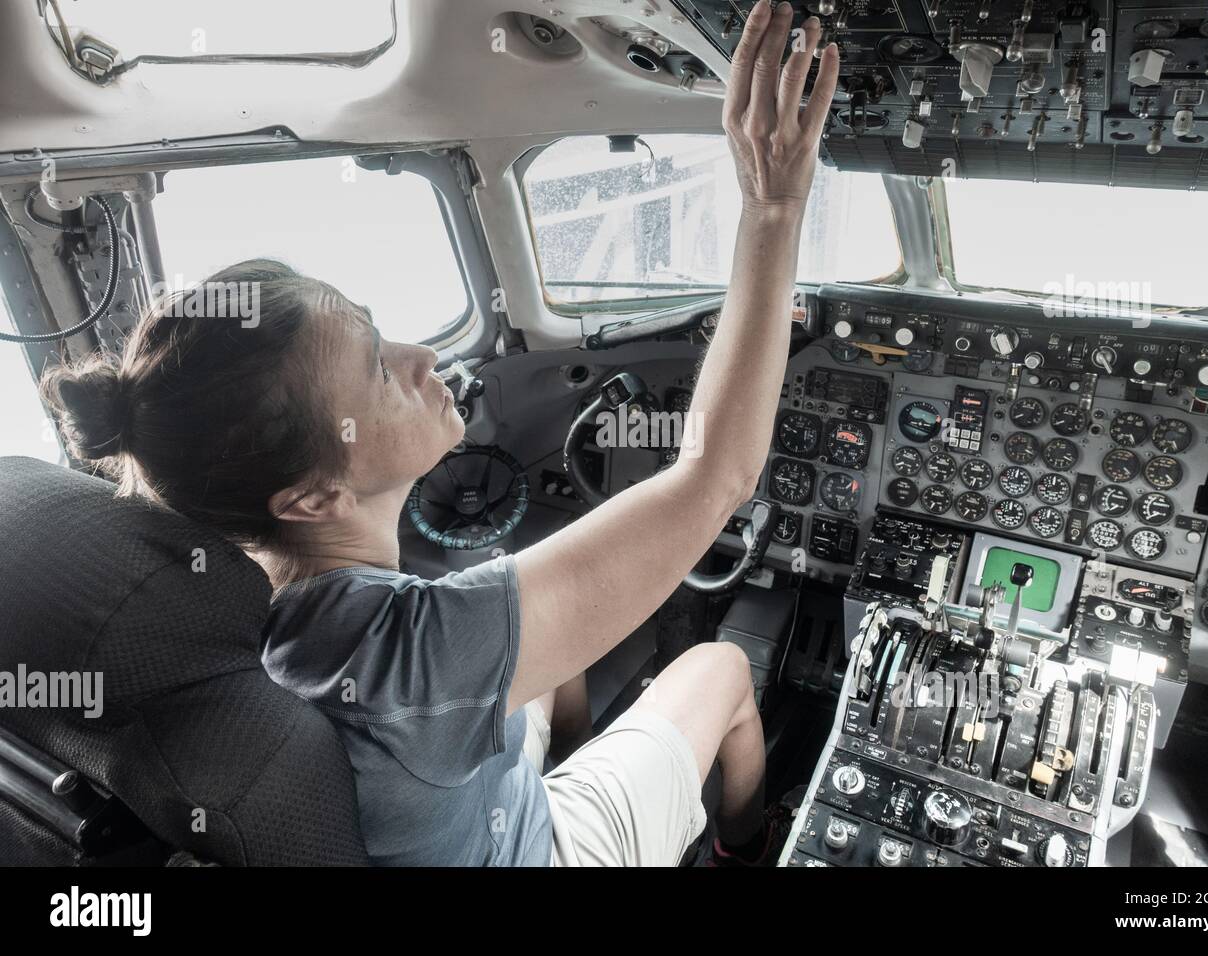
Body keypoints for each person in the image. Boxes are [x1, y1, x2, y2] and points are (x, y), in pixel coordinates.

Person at [40, 1, 839, 866]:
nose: (422, 358)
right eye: (379, 367)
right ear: (312, 496)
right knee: (718, 673)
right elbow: (716, 475)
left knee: (534, 631)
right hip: (527, 851)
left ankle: (569, 765)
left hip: (454, 803)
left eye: (385, 332)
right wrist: (772, 203)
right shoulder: (420, 651)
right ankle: (744, 849)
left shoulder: (249, 609)